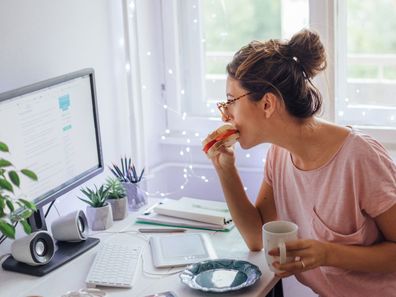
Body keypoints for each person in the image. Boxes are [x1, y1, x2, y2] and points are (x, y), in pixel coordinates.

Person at [204, 29, 396, 297]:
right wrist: (225, 170)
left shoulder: (359, 157)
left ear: (267, 104)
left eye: (231, 101)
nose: (225, 113)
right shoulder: (279, 155)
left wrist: (328, 254)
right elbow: (258, 238)